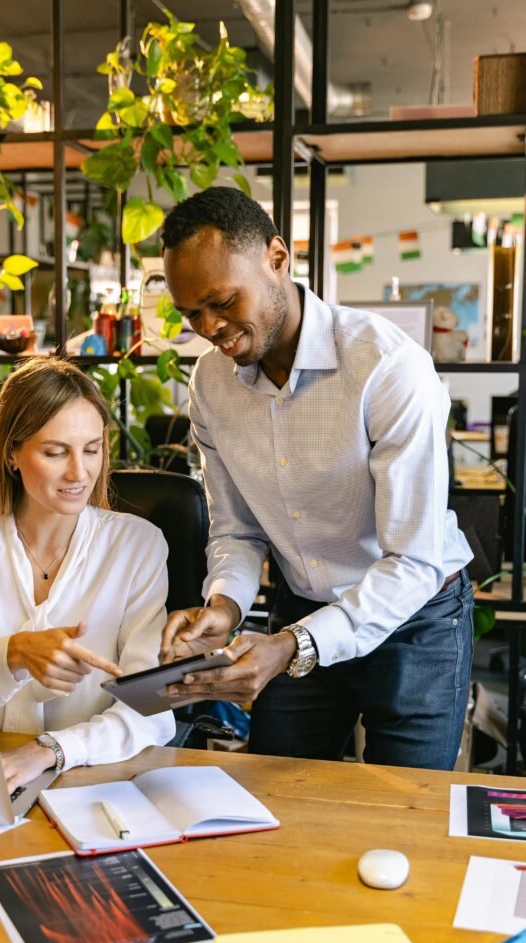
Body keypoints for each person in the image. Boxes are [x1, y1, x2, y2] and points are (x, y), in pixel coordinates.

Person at [159, 186, 473, 771]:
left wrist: (291, 646)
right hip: (302, 605)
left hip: (416, 618)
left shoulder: (387, 367)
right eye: (191, 313)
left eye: (222, 301)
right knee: (278, 793)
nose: (210, 327)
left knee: (403, 804)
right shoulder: (210, 384)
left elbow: (413, 560)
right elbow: (236, 530)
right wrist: (223, 607)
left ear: (277, 258)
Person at [0, 357, 175, 791]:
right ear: (11, 454)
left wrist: (50, 750)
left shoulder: (138, 545)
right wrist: (12, 655)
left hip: (93, 777)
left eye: (92, 449)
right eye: (55, 452)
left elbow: (151, 707)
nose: (79, 472)